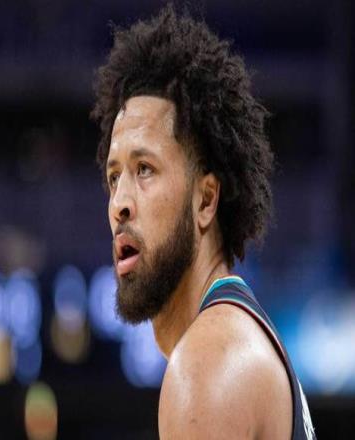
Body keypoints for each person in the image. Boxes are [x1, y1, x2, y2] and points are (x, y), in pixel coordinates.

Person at [91, 4, 315, 439]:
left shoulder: (208, 364)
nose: (119, 204)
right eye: (114, 177)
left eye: (144, 170)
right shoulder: (235, 336)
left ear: (206, 200)